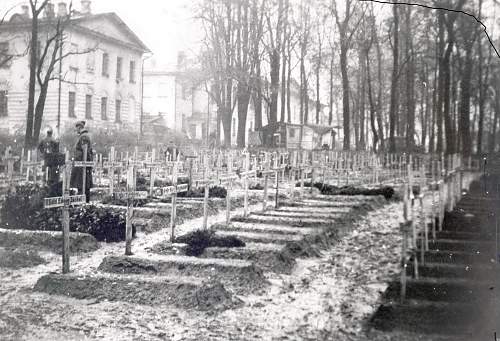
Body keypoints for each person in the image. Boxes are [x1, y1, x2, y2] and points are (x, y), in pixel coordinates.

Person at [70, 121, 93, 202]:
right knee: (81, 184)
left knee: (82, 185)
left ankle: (83, 203)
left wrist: (84, 164)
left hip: (82, 165)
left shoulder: (84, 137)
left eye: (77, 128)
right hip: (80, 164)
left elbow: (85, 151)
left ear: (80, 127)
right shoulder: (82, 136)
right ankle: (83, 203)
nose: (76, 130)